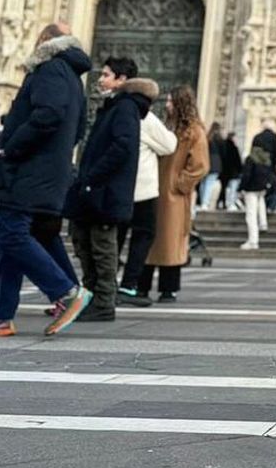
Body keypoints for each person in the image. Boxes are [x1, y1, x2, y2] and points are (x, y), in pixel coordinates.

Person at [0, 23, 93, 338]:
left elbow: (48, 114)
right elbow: (79, 127)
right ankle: (1, 316)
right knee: (12, 238)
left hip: (29, 170)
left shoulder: (50, 68)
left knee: (11, 234)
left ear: (44, 42)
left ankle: (66, 292)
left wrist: (10, 147)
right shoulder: (74, 78)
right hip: (48, 170)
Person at [69, 58, 155, 324]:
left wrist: (93, 176)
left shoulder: (125, 108)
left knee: (103, 250)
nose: (100, 80)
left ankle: (104, 302)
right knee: (87, 245)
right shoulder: (115, 107)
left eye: (106, 75)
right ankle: (94, 297)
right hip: (97, 191)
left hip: (106, 192)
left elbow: (122, 147)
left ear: (121, 80)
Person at [139, 86, 207, 303]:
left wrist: (180, 184)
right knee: (150, 239)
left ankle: (168, 288)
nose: (166, 105)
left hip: (174, 196)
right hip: (155, 189)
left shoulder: (194, 131)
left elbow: (200, 165)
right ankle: (142, 285)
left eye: (170, 101)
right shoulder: (167, 127)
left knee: (170, 241)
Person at [117, 84, 175, 307]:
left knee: (116, 237)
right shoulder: (147, 119)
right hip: (143, 190)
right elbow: (169, 145)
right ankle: (129, 285)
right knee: (143, 237)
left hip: (119, 189)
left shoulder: (115, 112)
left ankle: (106, 284)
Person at [237, 130, 276, 251]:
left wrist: (241, 188)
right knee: (261, 204)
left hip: (251, 188)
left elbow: (246, 175)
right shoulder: (266, 159)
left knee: (250, 215)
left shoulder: (251, 159)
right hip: (262, 187)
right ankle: (263, 223)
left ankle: (253, 240)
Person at [199, 123, 223, 212]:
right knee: (209, 184)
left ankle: (202, 202)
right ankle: (205, 203)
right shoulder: (219, 139)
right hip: (215, 164)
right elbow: (223, 153)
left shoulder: (207, 138)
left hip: (205, 162)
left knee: (203, 183)